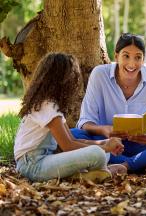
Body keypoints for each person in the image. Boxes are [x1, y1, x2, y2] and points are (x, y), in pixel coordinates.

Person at [71, 33, 146, 172]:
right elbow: (85, 122)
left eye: (138, 57)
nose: (132, 64)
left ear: (143, 59)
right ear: (116, 56)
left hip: (144, 144)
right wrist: (105, 129)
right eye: (126, 56)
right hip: (109, 143)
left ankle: (127, 165)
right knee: (73, 135)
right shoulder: (100, 74)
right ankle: (145, 162)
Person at [15, 53, 125, 182]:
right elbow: (68, 146)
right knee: (98, 153)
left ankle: (86, 174)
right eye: (74, 78)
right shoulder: (47, 106)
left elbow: (73, 140)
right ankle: (99, 172)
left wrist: (105, 143)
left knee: (102, 153)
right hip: (32, 165)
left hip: (43, 160)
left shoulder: (52, 106)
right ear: (63, 81)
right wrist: (105, 147)